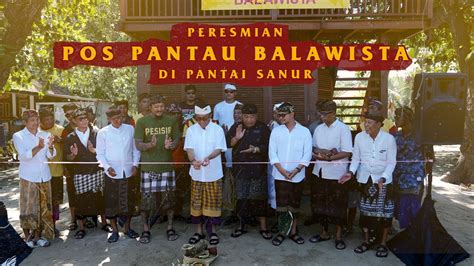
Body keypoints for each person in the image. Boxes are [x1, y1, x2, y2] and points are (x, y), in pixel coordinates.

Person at [340, 110, 397, 258]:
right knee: (365, 212)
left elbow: (391, 162)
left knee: (385, 213)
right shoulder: (359, 137)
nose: (366, 124)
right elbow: (356, 159)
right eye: (365, 121)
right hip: (365, 179)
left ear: (379, 124)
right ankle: (366, 241)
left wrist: (383, 178)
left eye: (369, 122)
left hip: (383, 182)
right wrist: (351, 172)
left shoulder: (389, 139)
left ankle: (382, 244)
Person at [134, 95, 180, 243]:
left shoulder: (171, 120)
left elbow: (177, 140)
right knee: (146, 202)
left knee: (169, 200)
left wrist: (171, 146)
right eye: (156, 106)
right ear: (150, 107)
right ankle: (146, 229)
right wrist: (150, 145)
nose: (159, 109)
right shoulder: (142, 122)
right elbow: (138, 144)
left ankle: (170, 227)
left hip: (166, 166)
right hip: (148, 167)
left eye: (161, 106)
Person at [309, 100, 353, 250]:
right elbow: (313, 147)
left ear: (333, 113)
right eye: (320, 114)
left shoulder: (343, 129)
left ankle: (339, 235)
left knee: (338, 205)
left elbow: (347, 151)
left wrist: (329, 157)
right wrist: (319, 152)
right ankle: (324, 232)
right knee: (321, 203)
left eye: (325, 114)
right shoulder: (319, 129)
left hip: (337, 173)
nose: (322, 117)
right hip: (320, 171)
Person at [268, 102, 312, 246]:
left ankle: (293, 232)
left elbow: (307, 154)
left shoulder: (304, 131)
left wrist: (297, 169)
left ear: (292, 114)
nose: (280, 118)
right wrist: (282, 170)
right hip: (280, 175)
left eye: (283, 115)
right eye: (279, 115)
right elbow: (272, 153)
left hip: (297, 175)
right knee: (281, 205)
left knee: (294, 204)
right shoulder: (276, 131)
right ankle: (282, 232)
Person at [96, 106, 141, 243]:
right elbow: (100, 154)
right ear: (109, 119)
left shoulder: (130, 129)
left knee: (129, 202)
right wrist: (107, 167)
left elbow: (135, 150)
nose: (118, 121)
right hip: (112, 173)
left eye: (120, 118)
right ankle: (115, 231)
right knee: (111, 204)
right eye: (114, 119)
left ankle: (127, 229)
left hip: (128, 171)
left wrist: (135, 164)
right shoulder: (103, 133)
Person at [226, 104, 272, 240]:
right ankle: (241, 226)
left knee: (260, 198)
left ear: (256, 116)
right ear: (242, 116)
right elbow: (228, 144)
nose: (249, 120)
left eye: (252, 117)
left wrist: (256, 149)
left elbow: (269, 146)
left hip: (258, 169)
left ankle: (263, 227)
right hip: (240, 169)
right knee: (241, 198)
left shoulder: (263, 128)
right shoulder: (236, 127)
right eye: (246, 117)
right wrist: (237, 138)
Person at [184, 105, 227, 246]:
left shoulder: (217, 129)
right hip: (196, 173)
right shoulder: (191, 130)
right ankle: (199, 232)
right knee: (197, 203)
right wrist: (192, 160)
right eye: (199, 119)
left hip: (213, 173)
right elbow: (189, 148)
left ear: (210, 117)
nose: (202, 121)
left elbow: (219, 149)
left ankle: (213, 232)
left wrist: (209, 157)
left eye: (205, 118)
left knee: (212, 204)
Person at [12, 109, 56, 247]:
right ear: (25, 122)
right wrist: (38, 147)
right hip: (28, 177)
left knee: (43, 208)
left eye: (37, 120)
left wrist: (50, 147)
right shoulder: (18, 136)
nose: (35, 123)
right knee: (28, 207)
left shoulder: (45, 134)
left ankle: (39, 236)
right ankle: (28, 238)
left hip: (44, 175)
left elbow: (51, 155)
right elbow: (24, 156)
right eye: (32, 120)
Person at [64, 108, 106, 240]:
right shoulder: (70, 137)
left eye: (86, 118)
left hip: (96, 171)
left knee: (100, 197)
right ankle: (81, 227)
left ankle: (104, 223)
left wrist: (93, 150)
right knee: (80, 200)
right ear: (75, 121)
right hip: (80, 173)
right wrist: (73, 155)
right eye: (80, 119)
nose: (84, 121)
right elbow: (67, 157)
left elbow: (104, 151)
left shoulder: (96, 133)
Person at [393, 106, 425, 229]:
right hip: (398, 177)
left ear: (407, 118)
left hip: (413, 179)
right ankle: (407, 234)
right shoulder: (397, 136)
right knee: (401, 210)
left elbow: (430, 158)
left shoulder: (420, 136)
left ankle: (414, 235)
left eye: (398, 116)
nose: (395, 119)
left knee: (413, 208)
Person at [38, 108, 64, 235]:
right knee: (42, 201)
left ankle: (53, 225)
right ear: (40, 121)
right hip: (41, 173)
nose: (49, 121)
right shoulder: (37, 132)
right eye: (45, 119)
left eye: (50, 119)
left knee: (55, 201)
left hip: (57, 172)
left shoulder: (60, 129)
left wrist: (61, 141)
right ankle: (42, 226)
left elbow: (68, 146)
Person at [60, 103, 80, 231]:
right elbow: (63, 151)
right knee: (72, 193)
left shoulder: (85, 125)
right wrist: (65, 168)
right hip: (71, 167)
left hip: (86, 166)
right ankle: (73, 219)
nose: (70, 116)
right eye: (67, 115)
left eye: (72, 113)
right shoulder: (65, 130)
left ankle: (87, 218)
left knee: (87, 193)